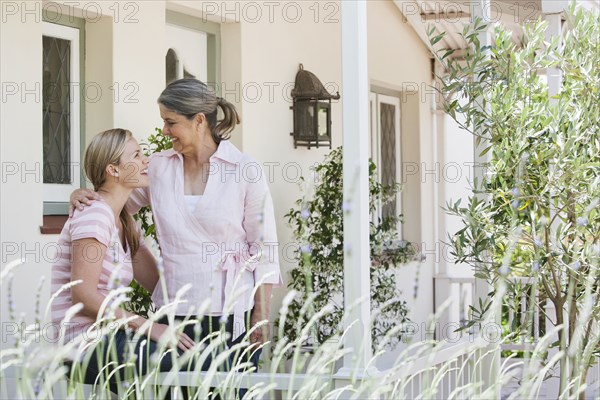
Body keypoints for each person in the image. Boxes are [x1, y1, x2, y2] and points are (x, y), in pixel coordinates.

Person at [70, 79, 283, 378]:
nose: (164, 131)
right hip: (176, 313)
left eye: (170, 122)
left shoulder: (245, 170)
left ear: (198, 121)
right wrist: (82, 196)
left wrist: (260, 315)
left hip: (234, 313)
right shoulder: (159, 167)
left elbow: (264, 250)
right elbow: (114, 203)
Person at [52, 128, 195, 394]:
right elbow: (82, 294)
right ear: (114, 170)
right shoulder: (94, 215)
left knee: (195, 347)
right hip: (84, 345)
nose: (146, 161)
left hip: (109, 337)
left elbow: (160, 285)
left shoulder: (123, 221)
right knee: (195, 358)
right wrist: (150, 327)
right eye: (137, 154)